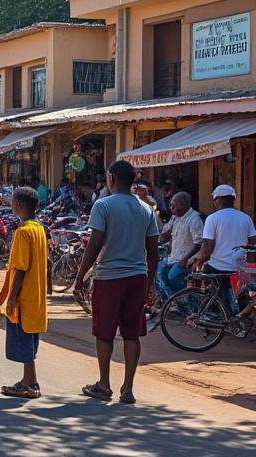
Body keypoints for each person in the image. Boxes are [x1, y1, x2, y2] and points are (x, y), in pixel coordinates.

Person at [74, 159, 159, 405]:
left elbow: (95, 243)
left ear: (111, 179)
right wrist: (150, 283)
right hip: (137, 278)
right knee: (132, 334)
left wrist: (80, 276)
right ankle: (128, 388)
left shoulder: (103, 205)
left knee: (104, 332)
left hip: (109, 277)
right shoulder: (146, 209)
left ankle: (104, 384)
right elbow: (153, 252)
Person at [0, 186, 47, 400]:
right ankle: (29, 380)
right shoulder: (39, 229)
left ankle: (30, 383)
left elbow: (21, 268)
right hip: (36, 295)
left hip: (24, 296)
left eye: (12, 201)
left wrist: (12, 298)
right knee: (29, 337)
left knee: (23, 337)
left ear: (18, 205)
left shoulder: (23, 232)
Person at [195, 184, 256, 314]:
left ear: (217, 200)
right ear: (233, 200)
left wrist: (200, 260)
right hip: (239, 266)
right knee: (240, 297)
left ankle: (215, 317)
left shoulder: (212, 218)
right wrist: (250, 265)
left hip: (218, 266)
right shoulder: (245, 218)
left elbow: (207, 246)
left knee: (212, 296)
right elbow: (255, 242)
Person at [157, 192, 203, 299]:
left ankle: (185, 295)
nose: (171, 208)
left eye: (173, 205)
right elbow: (164, 236)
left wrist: (185, 259)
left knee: (173, 276)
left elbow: (199, 243)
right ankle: (175, 302)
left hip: (187, 259)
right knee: (160, 274)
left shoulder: (194, 218)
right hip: (173, 257)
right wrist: (166, 234)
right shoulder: (175, 218)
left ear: (183, 205)